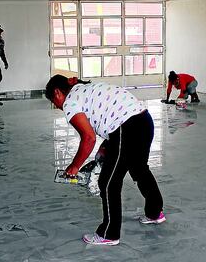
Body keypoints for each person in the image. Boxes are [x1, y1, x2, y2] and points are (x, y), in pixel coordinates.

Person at [45, 75, 165, 246]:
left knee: (108, 183)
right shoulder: (85, 89)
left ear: (57, 92)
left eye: (54, 101)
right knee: (139, 168)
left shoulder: (70, 101)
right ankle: (155, 213)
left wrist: (74, 167)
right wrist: (107, 144)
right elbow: (109, 114)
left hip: (127, 128)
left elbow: (88, 138)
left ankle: (109, 234)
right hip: (144, 120)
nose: (57, 107)